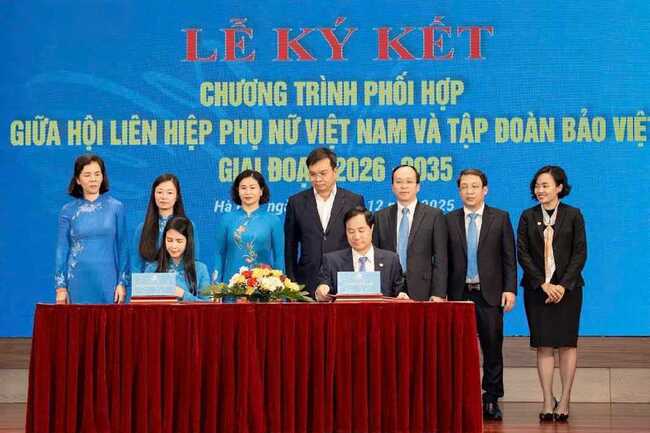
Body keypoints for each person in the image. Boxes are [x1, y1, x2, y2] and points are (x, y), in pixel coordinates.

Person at [446, 169, 517, 421]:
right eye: (464, 186)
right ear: (459, 191)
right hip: (458, 294)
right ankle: (460, 397)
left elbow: (509, 258)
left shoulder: (500, 218)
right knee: (457, 350)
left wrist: (510, 289)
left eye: (474, 186)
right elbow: (443, 260)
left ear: (485, 190)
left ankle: (491, 398)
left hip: (490, 294)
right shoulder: (449, 219)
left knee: (492, 348)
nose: (469, 191)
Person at [517, 166, 586, 422]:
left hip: (568, 290)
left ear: (559, 187)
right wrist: (543, 284)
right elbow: (523, 253)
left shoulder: (573, 215)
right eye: (537, 186)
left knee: (567, 344)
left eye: (545, 185)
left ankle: (565, 400)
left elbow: (580, 253)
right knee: (544, 345)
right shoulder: (527, 216)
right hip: (538, 290)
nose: (540, 190)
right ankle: (547, 400)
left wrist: (562, 286)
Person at [285, 147, 364, 297]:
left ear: (335, 171)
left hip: (345, 278)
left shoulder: (353, 201)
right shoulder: (296, 202)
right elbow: (290, 247)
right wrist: (292, 284)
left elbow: (361, 242)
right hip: (307, 282)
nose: (318, 179)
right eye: (313, 174)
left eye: (323, 173)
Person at [54, 154, 128, 304]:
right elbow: (62, 249)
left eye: (97, 174)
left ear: (103, 177)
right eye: (87, 175)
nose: (93, 179)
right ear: (78, 180)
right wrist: (60, 287)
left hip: (108, 281)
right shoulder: (67, 210)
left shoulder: (116, 207)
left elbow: (123, 248)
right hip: (77, 281)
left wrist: (122, 282)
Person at [373, 165, 448, 301]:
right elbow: (375, 254)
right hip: (388, 287)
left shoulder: (434, 215)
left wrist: (438, 292)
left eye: (409, 181)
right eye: (399, 182)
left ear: (417, 186)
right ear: (392, 187)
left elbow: (441, 258)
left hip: (423, 287)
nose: (404, 186)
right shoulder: (380, 216)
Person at [315, 206, 407, 301]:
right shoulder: (332, 261)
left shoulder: (391, 260)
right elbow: (324, 287)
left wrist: (402, 296)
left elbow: (399, 291)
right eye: (351, 231)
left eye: (361, 230)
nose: (356, 237)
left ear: (371, 228)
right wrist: (321, 291)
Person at [213, 170, 283, 282]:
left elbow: (279, 257)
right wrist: (216, 285)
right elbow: (219, 254)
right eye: (243, 188)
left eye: (252, 187)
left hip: (262, 287)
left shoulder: (273, 220)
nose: (248, 192)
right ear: (238, 191)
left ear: (261, 191)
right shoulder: (226, 219)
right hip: (230, 286)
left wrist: (279, 285)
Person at [132, 173, 199, 273]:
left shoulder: (188, 226)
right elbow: (136, 267)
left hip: (180, 281)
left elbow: (193, 261)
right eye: (159, 192)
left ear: (177, 196)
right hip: (149, 281)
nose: (164, 197)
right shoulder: (142, 228)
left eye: (169, 193)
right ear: (153, 195)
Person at [145, 216, 209, 301]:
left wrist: (183, 294)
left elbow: (207, 305)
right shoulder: (152, 268)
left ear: (188, 242)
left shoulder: (200, 269)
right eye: (169, 240)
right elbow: (142, 303)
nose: (173, 246)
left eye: (179, 241)